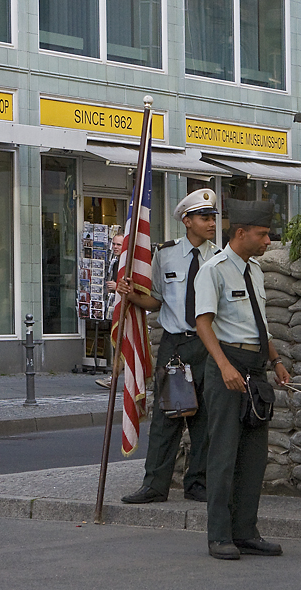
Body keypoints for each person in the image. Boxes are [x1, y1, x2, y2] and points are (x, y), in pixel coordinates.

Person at [194, 198, 290, 560]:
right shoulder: (214, 270)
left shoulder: (255, 271)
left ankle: (245, 531)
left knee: (254, 456)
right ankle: (219, 535)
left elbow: (259, 325)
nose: (268, 241)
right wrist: (223, 367)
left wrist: (275, 360)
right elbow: (203, 322)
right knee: (223, 454)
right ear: (241, 233)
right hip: (227, 367)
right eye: (262, 235)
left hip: (255, 368)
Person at [117, 190, 220, 504]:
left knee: (204, 419)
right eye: (204, 218)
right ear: (187, 221)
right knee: (167, 418)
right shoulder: (164, 254)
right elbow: (156, 300)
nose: (212, 223)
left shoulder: (219, 257)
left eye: (213, 216)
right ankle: (155, 485)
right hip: (175, 344)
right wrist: (131, 295)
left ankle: (197, 483)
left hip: (207, 345)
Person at [95, 234, 126, 388]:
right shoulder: (114, 263)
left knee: (123, 345)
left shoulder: (128, 263)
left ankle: (114, 378)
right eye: (113, 244)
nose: (115, 247)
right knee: (119, 345)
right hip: (118, 307)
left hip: (129, 310)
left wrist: (117, 287)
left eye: (119, 244)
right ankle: (113, 378)